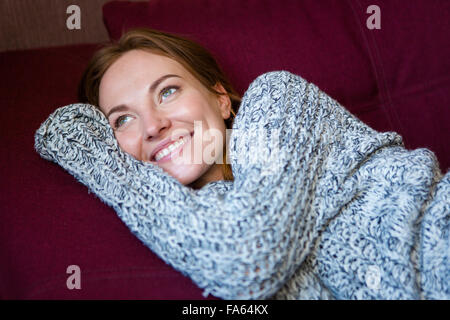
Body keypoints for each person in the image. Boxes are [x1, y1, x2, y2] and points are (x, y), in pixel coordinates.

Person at [35, 27, 449, 300]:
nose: (154, 126)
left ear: (219, 97)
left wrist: (84, 149)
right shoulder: (187, 222)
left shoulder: (278, 102)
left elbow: (246, 257)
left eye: (167, 92)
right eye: (122, 119)